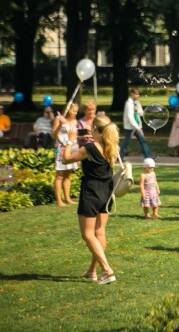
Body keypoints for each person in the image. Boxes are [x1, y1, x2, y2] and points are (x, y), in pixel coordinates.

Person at [61, 114, 119, 285]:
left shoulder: (89, 148)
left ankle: (107, 270)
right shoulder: (112, 146)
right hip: (107, 192)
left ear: (94, 128)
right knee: (99, 233)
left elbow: (66, 159)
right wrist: (91, 138)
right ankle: (93, 271)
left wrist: (70, 141)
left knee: (87, 234)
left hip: (91, 191)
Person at [53, 104, 80, 206]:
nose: (75, 113)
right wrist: (60, 124)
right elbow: (54, 135)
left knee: (68, 174)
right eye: (74, 111)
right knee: (59, 175)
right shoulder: (59, 119)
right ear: (68, 110)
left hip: (71, 148)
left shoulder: (75, 121)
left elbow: (74, 136)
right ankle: (59, 200)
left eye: (76, 111)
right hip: (61, 148)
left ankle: (67, 198)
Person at [120, 88, 152, 159]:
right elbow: (130, 116)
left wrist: (137, 110)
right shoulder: (128, 103)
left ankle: (148, 156)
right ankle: (120, 156)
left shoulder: (137, 103)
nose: (138, 96)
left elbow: (141, 114)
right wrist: (137, 127)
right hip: (130, 126)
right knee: (126, 142)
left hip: (137, 125)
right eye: (136, 94)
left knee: (142, 140)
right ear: (132, 94)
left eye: (138, 94)